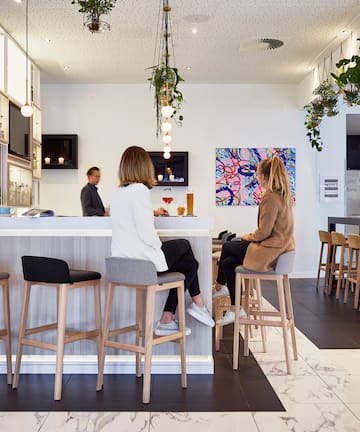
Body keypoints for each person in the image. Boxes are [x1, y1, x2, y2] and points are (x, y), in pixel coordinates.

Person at [110, 146, 214, 335]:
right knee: (184, 245)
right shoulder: (140, 190)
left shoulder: (118, 193)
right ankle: (193, 306)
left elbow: (131, 220)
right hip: (141, 264)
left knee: (190, 265)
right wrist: (158, 248)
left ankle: (169, 317)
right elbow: (146, 233)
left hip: (121, 263)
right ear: (144, 167)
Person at [215, 156, 295, 324]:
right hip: (280, 249)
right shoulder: (281, 195)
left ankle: (219, 287)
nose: (257, 178)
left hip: (272, 250)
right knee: (228, 263)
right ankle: (236, 308)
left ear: (264, 176)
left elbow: (263, 233)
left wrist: (244, 237)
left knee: (229, 246)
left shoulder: (271, 197)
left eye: (258, 175)